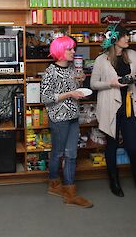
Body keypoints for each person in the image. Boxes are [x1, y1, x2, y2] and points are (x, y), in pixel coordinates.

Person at [40, 36, 93, 208]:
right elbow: (46, 98)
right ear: (60, 51)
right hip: (59, 118)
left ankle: (70, 193)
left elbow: (73, 89)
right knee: (57, 153)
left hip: (73, 116)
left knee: (72, 154)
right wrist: (70, 94)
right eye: (70, 49)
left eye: (73, 48)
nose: (73, 52)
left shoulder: (71, 69)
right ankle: (54, 183)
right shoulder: (50, 71)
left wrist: (80, 81)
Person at [90, 24, 136, 197]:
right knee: (112, 145)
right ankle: (114, 182)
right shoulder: (101, 60)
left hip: (129, 106)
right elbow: (94, 84)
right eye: (124, 36)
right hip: (110, 108)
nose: (128, 39)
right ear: (115, 39)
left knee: (133, 146)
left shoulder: (132, 55)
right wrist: (111, 83)